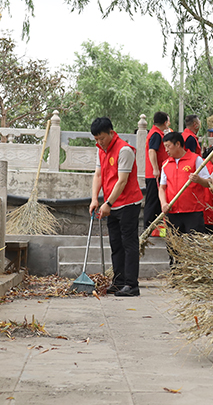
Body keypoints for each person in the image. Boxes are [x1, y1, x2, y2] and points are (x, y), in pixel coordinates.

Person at [89, 117, 143, 297]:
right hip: (110, 204)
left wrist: (108, 203)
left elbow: (122, 181)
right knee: (116, 244)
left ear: (111, 132)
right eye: (96, 139)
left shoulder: (124, 150)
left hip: (128, 203)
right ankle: (118, 282)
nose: (99, 142)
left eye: (102, 138)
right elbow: (98, 175)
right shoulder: (101, 150)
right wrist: (95, 199)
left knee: (129, 244)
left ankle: (131, 284)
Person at [158, 132, 211, 264]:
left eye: (168, 146)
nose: (166, 150)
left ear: (178, 144)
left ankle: (194, 275)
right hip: (172, 212)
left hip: (193, 212)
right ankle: (176, 275)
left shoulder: (195, 160)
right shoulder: (166, 164)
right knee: (173, 247)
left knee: (195, 247)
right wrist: (163, 203)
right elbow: (162, 188)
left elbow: (209, 183)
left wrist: (198, 179)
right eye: (165, 147)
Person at [144, 111, 171, 230]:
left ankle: (156, 229)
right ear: (165, 122)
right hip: (155, 174)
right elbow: (152, 151)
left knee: (156, 203)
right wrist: (155, 169)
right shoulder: (155, 134)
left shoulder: (157, 133)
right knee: (153, 202)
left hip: (158, 173)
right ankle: (148, 228)